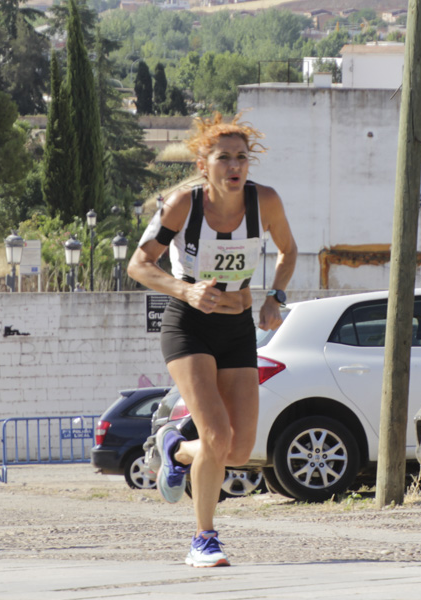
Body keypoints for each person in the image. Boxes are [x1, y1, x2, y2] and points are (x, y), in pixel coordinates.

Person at [128, 112, 297, 568]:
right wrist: (185, 290)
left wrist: (274, 297)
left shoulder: (266, 202)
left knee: (238, 450)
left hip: (238, 326)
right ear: (205, 165)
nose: (234, 166)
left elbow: (288, 251)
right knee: (217, 434)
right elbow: (139, 264)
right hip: (189, 325)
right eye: (223, 158)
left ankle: (174, 448)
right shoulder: (183, 204)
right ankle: (203, 539)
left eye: (241, 157)